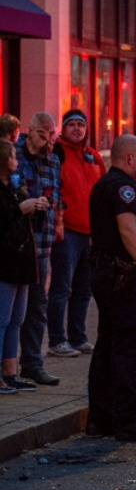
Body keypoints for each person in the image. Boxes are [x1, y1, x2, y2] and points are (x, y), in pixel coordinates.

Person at [86, 134, 136, 441]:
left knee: (106, 346)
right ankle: (129, 418)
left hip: (105, 274)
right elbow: (127, 228)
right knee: (128, 348)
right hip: (123, 278)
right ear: (130, 158)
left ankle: (100, 418)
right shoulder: (125, 188)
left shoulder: (102, 185)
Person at [48, 108, 105, 359]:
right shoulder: (56, 154)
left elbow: (103, 192)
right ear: (63, 129)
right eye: (71, 125)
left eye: (80, 125)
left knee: (84, 289)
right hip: (67, 231)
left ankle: (78, 336)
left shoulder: (93, 157)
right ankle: (57, 340)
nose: (77, 129)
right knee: (62, 288)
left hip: (91, 232)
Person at [0, 140, 51, 394]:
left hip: (22, 261)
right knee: (1, 319)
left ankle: (10, 373)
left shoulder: (14, 186)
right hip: (5, 262)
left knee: (16, 320)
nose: (16, 161)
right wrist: (22, 208)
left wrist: (36, 206)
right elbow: (6, 218)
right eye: (12, 157)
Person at [16, 113, 61, 386]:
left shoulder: (52, 159)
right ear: (29, 131)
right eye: (42, 135)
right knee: (10, 310)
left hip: (41, 243)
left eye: (50, 136)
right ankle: (6, 365)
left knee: (37, 305)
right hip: (14, 242)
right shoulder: (14, 153)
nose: (46, 141)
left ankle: (32, 363)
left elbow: (55, 195)